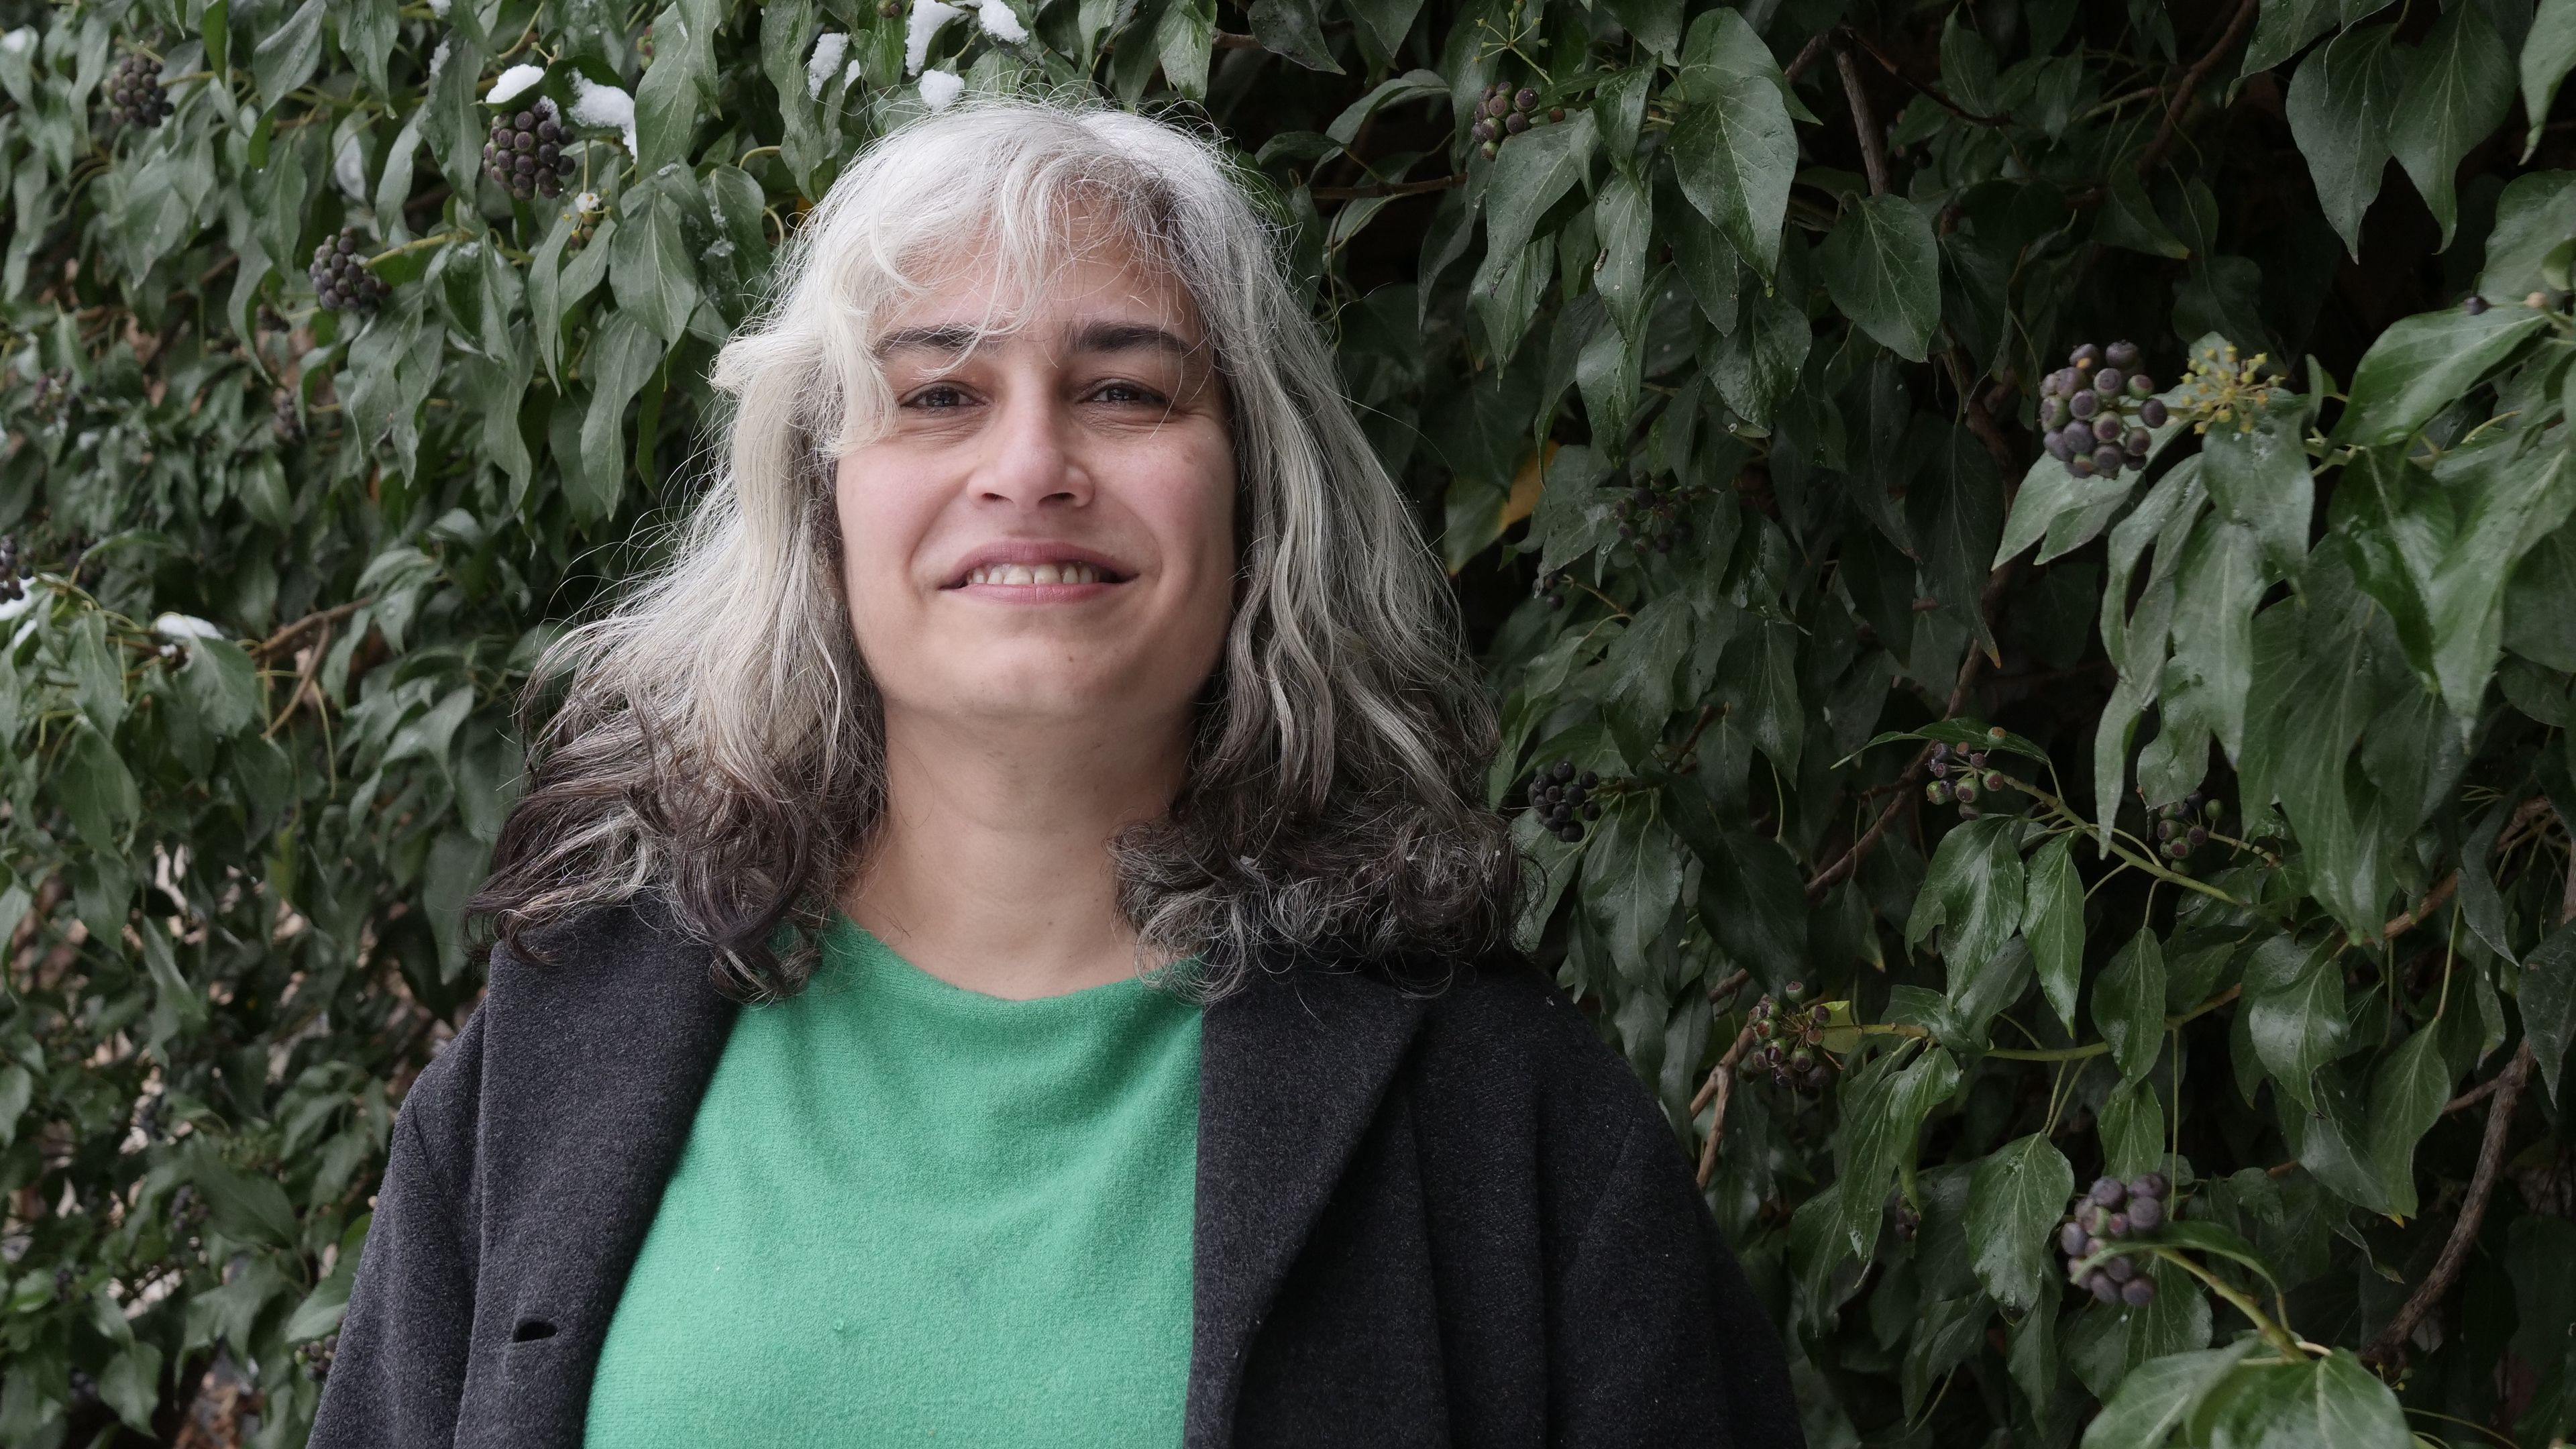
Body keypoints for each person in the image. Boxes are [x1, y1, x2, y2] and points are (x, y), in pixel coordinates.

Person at [308, 97, 1800, 1448]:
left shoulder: (1501, 1111)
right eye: (941, 396)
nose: (1029, 465)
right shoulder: (556, 1053)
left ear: (1255, 497)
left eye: (1128, 391)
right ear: (821, 501)